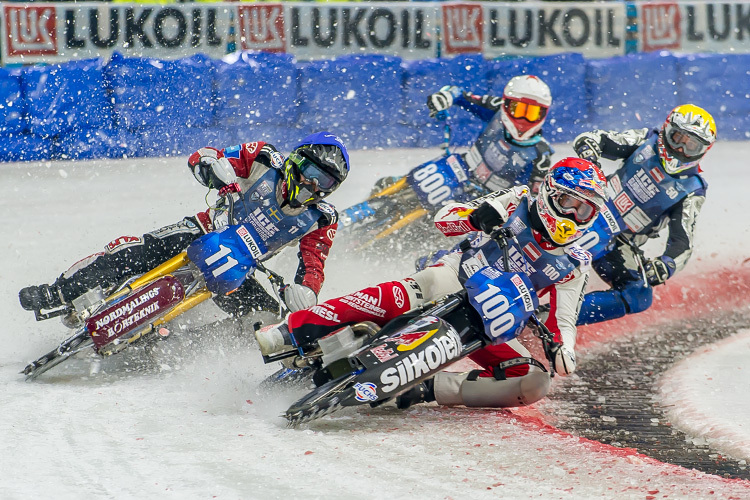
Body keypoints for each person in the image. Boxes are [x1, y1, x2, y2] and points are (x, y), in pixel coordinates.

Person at [257, 157, 607, 410]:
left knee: (534, 381)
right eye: (568, 202)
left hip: (493, 321)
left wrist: (564, 350)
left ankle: (428, 388)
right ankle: (293, 330)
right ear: (550, 193)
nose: (573, 216)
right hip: (457, 276)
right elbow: (444, 218)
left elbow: (563, 321)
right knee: (420, 286)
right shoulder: (516, 200)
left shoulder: (576, 262)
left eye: (585, 210)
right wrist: (475, 217)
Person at [18, 131, 350, 324]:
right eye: (310, 170)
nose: (311, 182)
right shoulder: (263, 158)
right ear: (296, 159)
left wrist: (306, 293)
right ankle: (59, 291)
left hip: (242, 267)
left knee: (269, 321)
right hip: (203, 229)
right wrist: (214, 168)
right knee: (132, 250)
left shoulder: (322, 218)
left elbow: (313, 265)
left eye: (325, 181)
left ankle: (185, 346)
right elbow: (206, 156)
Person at [573, 104, 716, 325]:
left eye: (691, 146)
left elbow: (683, 243)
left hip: (618, 243)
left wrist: (665, 266)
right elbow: (598, 138)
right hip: (585, 211)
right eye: (678, 138)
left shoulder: (693, 189)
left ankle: (556, 317)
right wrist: (589, 149)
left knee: (638, 296)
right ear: (667, 129)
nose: (680, 149)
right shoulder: (646, 139)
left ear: (703, 151)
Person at [425, 74, 554, 194]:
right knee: (417, 178)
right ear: (507, 104)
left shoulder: (541, 154)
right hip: (461, 168)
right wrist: (445, 97)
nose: (523, 120)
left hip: (490, 201)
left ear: (542, 114)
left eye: (531, 113)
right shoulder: (496, 107)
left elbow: (534, 199)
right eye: (518, 110)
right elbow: (461, 96)